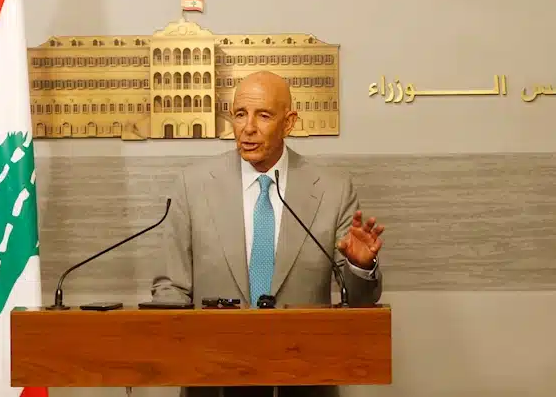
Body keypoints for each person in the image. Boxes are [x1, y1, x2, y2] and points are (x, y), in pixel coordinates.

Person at [151, 72, 385, 395]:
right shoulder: (192, 186)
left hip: (303, 381)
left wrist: (359, 267)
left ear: (288, 123)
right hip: (213, 381)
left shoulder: (333, 190)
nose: (248, 128)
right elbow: (171, 288)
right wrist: (175, 349)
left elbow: (360, 301)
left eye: (263, 116)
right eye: (240, 114)